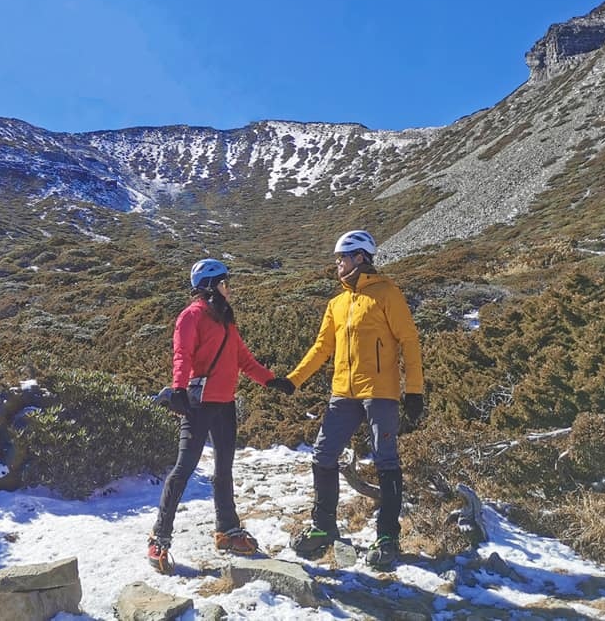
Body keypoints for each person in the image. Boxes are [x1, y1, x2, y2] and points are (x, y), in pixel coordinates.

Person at [284, 230, 424, 569]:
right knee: (322, 456)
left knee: (386, 462)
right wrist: (293, 380)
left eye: (342, 259)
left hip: (380, 393)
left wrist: (414, 390)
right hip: (342, 394)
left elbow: (409, 341)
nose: (337, 265)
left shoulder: (387, 294)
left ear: (360, 258)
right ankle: (324, 527)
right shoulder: (337, 303)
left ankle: (387, 536)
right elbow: (321, 347)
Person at [148, 258, 295, 574]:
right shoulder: (191, 317)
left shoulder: (227, 321)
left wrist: (272, 380)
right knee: (183, 468)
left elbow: (244, 360)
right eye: (225, 283)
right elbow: (182, 356)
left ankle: (226, 531)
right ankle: (159, 536)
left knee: (224, 469)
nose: (230, 289)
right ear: (211, 286)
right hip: (198, 405)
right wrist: (177, 389)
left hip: (225, 405)